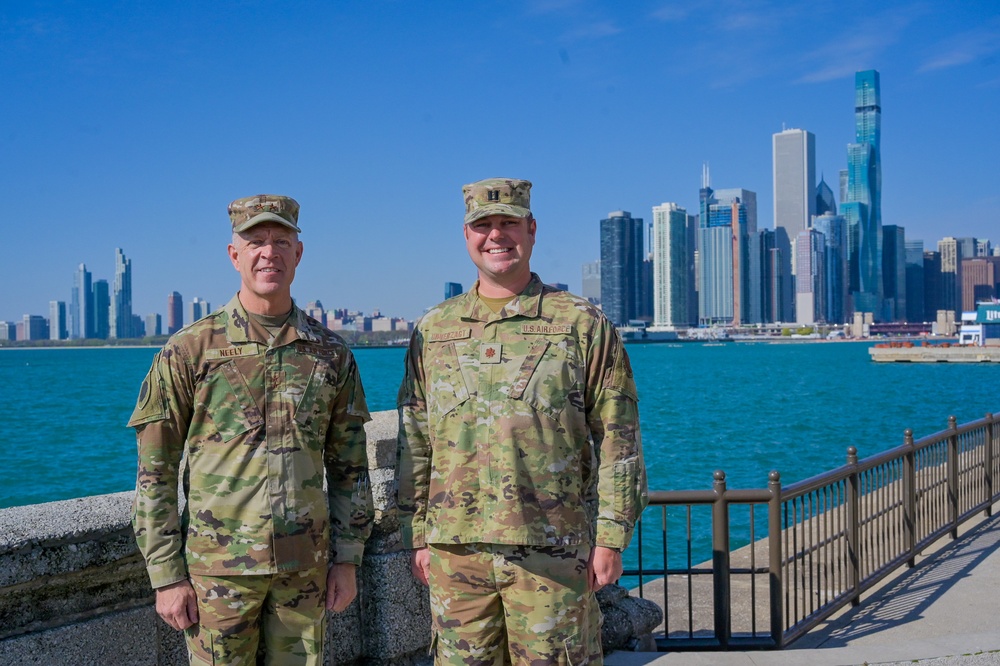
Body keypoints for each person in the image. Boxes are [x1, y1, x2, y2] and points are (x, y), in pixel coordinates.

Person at [395, 178, 648, 664]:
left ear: (531, 230)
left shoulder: (580, 322)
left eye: (508, 223)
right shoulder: (434, 329)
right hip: (456, 553)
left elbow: (619, 438)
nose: (496, 235)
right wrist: (417, 534)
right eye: (483, 226)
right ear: (466, 235)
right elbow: (416, 437)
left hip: (551, 551)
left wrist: (611, 536)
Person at [128, 194, 372, 665]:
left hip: (305, 571)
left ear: (298, 254)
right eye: (255, 241)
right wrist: (166, 575)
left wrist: (348, 557)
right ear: (233, 254)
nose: (269, 253)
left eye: (281, 241)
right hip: (219, 575)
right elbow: (154, 473)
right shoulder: (190, 350)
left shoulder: (329, 353)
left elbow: (350, 468)